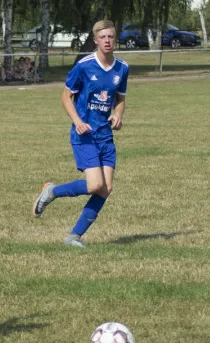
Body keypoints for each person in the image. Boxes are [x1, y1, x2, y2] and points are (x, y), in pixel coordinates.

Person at [31, 20, 129, 248]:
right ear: (95, 40)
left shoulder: (122, 68)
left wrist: (118, 114)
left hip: (105, 136)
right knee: (95, 186)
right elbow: (66, 97)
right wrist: (78, 121)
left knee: (106, 189)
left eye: (111, 37)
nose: (107, 41)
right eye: (103, 37)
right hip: (84, 135)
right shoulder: (84, 66)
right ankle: (52, 191)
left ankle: (74, 236)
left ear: (115, 39)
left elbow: (121, 100)